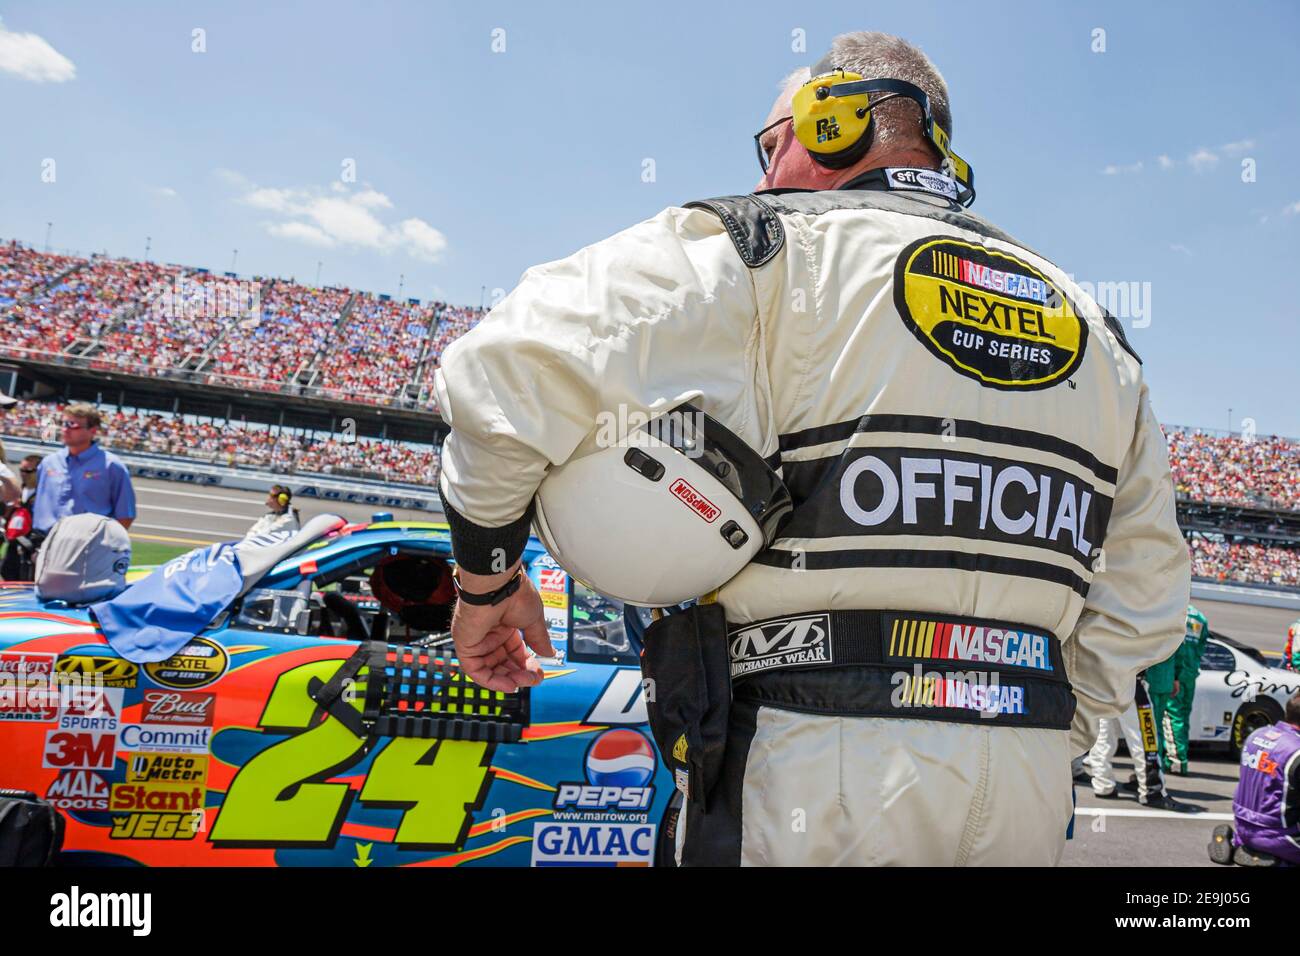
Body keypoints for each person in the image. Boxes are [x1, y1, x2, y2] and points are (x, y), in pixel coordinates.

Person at [433, 31, 1191, 865]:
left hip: (806, 759)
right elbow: (1150, 583)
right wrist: (1045, 718)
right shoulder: (1098, 329)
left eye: (770, 144)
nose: (764, 175)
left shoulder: (765, 247)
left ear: (827, 123)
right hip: (1026, 780)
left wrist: (486, 581)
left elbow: (499, 368)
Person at [1085, 673, 1189, 811]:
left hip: (1101, 681)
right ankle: (1152, 790)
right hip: (1129, 681)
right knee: (1145, 737)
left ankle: (1103, 785)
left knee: (1104, 735)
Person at [31, 403, 136, 534]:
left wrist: (102, 544)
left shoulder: (111, 466)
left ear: (92, 431)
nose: (65, 430)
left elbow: (125, 515)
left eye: (72, 425)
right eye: (64, 424)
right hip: (43, 543)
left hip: (86, 546)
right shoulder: (48, 462)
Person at [1230, 690, 1300, 865]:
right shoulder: (1296, 751)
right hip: (1280, 837)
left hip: (1243, 827)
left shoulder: (1256, 735)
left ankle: (1236, 843)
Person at [1165, 604, 1208, 774]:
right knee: (1183, 717)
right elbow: (1201, 646)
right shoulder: (1200, 617)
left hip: (1175, 673)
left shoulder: (1175, 611)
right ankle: (1177, 757)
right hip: (1190, 673)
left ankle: (1176, 761)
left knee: (1172, 717)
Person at [1, 454, 42, 581]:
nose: (23, 474)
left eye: (28, 471)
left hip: (31, 545)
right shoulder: (18, 490)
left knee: (26, 579)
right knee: (7, 575)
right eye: (21, 470)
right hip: (13, 543)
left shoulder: (44, 492)